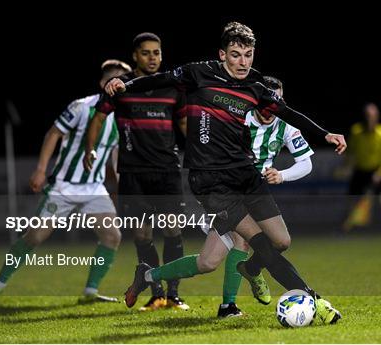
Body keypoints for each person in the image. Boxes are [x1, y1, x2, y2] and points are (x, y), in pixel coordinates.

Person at [105, 22, 346, 325]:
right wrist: (124, 84)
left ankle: (151, 273)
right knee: (259, 245)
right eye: (235, 55)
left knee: (260, 246)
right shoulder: (199, 73)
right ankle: (316, 300)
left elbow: (288, 112)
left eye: (248, 55)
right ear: (223, 54)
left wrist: (325, 134)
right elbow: (162, 78)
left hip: (245, 176)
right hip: (211, 182)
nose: (243, 62)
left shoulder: (255, 88)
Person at [0, 60, 130, 305]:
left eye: (125, 80)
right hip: (63, 187)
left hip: (94, 188)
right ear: (103, 84)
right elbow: (54, 133)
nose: (121, 84)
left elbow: (114, 155)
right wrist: (40, 170)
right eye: (117, 79)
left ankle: (90, 292)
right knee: (34, 237)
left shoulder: (123, 117)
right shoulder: (82, 107)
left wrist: (123, 183)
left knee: (112, 236)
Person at [83, 32, 189, 311]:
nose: (152, 58)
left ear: (161, 55)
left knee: (172, 231)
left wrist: (205, 153)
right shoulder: (121, 87)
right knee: (142, 236)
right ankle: (157, 294)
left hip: (167, 171)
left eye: (156, 52)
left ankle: (174, 295)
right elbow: (98, 117)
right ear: (135, 56)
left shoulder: (173, 87)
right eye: (146, 53)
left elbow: (184, 125)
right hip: (133, 173)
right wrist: (89, 150)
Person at [216, 75, 315, 318]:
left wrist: (281, 175)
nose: (272, 107)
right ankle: (228, 306)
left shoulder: (286, 125)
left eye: (277, 102)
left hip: (257, 191)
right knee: (234, 246)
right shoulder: (239, 119)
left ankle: (251, 269)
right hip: (229, 189)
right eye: (266, 101)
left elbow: (306, 163)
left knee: (282, 242)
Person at [342, 102, 381, 232]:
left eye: (372, 116)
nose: (369, 119)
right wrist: (347, 166)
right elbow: (350, 152)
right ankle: (347, 229)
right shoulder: (356, 131)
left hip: (377, 172)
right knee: (352, 200)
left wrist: (380, 173)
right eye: (367, 116)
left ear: (377, 117)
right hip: (360, 171)